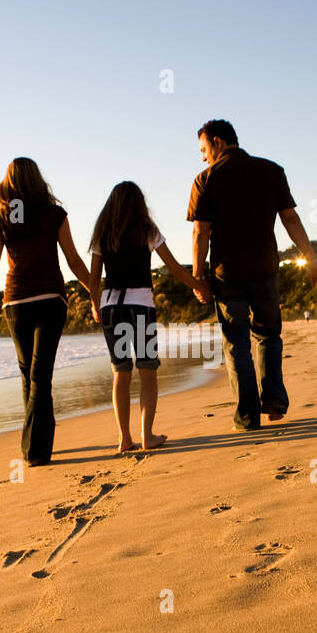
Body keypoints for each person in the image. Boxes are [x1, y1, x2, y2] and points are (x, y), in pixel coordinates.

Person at [187, 119, 317, 432]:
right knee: (268, 335)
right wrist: (311, 259)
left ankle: (247, 417)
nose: (203, 156)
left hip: (227, 274)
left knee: (236, 345)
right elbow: (290, 218)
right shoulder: (271, 170)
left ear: (218, 142)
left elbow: (200, 233)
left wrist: (198, 276)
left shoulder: (205, 179)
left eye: (203, 148)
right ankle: (274, 402)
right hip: (265, 268)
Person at [0, 157, 90, 466]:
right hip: (47, 300)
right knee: (35, 374)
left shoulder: (3, 217)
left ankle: (34, 446)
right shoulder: (53, 214)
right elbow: (74, 261)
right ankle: (38, 445)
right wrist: (96, 292)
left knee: (34, 374)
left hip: (17, 303)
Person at [90, 181, 210, 453]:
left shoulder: (102, 233)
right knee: (147, 371)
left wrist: (94, 304)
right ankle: (147, 436)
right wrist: (198, 285)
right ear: (139, 204)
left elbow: (95, 277)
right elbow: (174, 267)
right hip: (140, 308)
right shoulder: (147, 230)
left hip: (111, 308)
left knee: (120, 372)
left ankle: (124, 438)